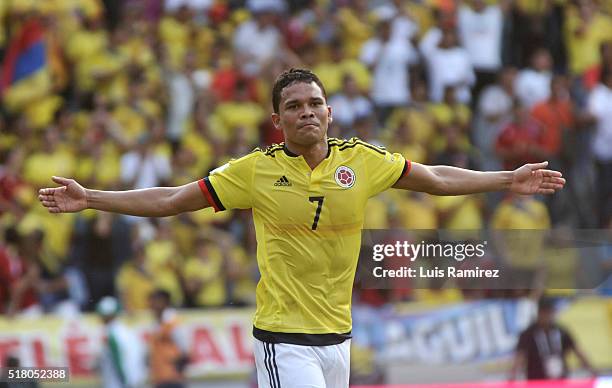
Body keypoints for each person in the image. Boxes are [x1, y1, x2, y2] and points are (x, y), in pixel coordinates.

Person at [38, 68, 566, 388]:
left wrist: (504, 179)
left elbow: (434, 178)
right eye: (294, 106)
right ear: (279, 121)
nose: (306, 112)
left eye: (315, 103)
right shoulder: (254, 170)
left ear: (330, 113)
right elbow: (173, 199)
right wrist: (93, 199)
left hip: (339, 338)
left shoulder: (363, 160)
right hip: (284, 339)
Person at [509, 298, 596, 381]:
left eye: (549, 312)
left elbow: (578, 351)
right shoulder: (528, 334)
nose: (547, 316)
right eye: (544, 312)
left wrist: (592, 370)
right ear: (539, 313)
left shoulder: (562, 331)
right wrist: (512, 376)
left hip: (560, 380)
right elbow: (520, 356)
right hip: (537, 380)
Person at [96, 296, 146, 388]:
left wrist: (124, 380)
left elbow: (118, 358)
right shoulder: (124, 330)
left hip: (120, 382)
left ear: (110, 315)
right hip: (128, 380)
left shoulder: (114, 334)